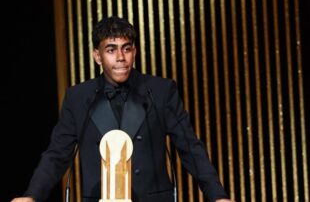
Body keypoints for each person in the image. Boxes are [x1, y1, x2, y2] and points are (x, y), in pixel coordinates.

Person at [12, 17, 232, 202]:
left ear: (134, 52)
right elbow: (57, 154)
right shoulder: (78, 97)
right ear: (97, 56)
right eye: (111, 50)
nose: (120, 58)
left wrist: (217, 196)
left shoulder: (161, 91)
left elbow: (190, 147)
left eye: (126, 49)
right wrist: (32, 195)